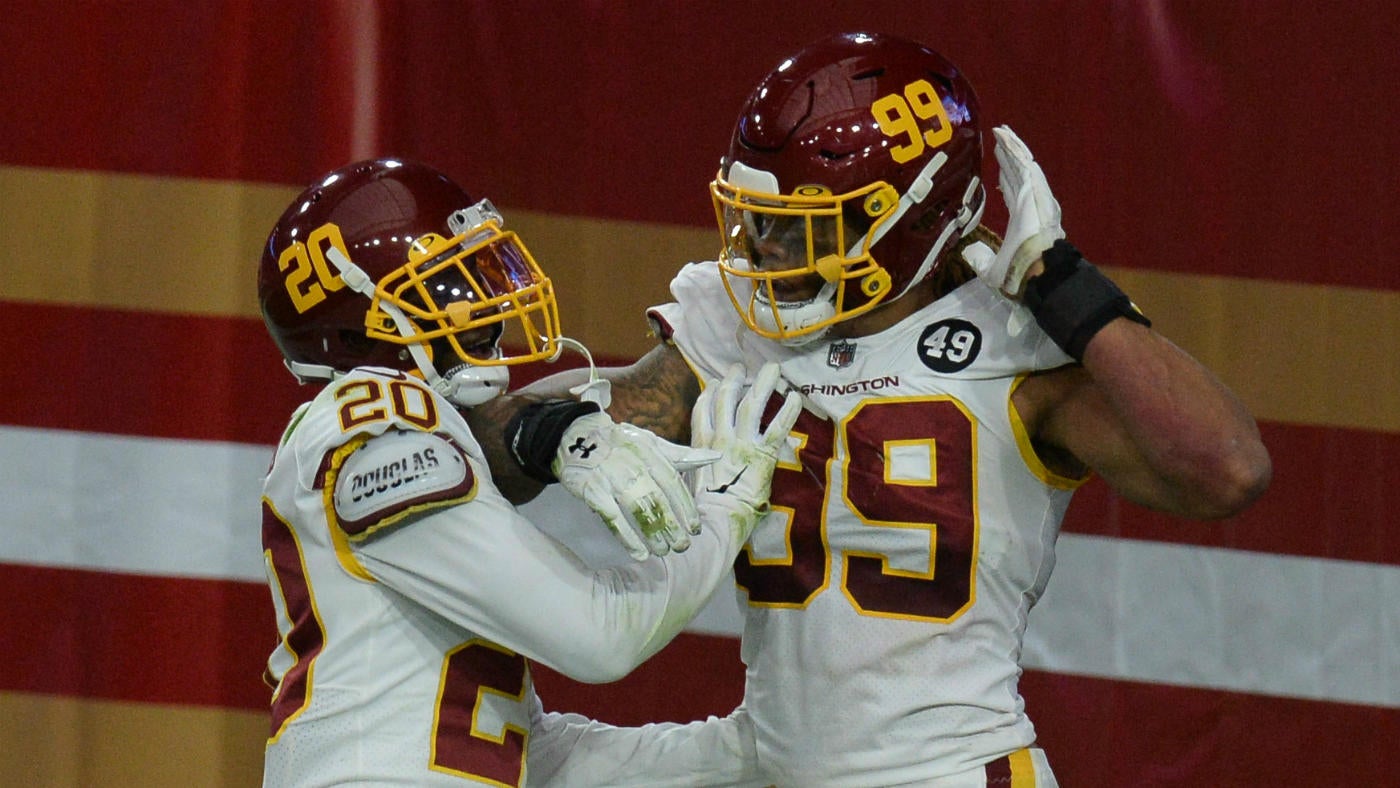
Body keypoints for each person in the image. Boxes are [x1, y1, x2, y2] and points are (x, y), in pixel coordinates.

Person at [487, 31, 1272, 786]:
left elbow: (1225, 471)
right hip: (782, 761)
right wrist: (553, 432)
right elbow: (515, 449)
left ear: (909, 222)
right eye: (758, 221)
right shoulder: (738, 332)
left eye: (801, 229)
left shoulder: (1014, 345)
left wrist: (1063, 286)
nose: (763, 251)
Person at [255, 157, 800, 786]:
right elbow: (599, 637)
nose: (486, 299)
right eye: (449, 282)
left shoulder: (413, 426)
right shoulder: (376, 430)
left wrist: (748, 754)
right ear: (365, 318)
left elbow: (521, 757)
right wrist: (721, 515)